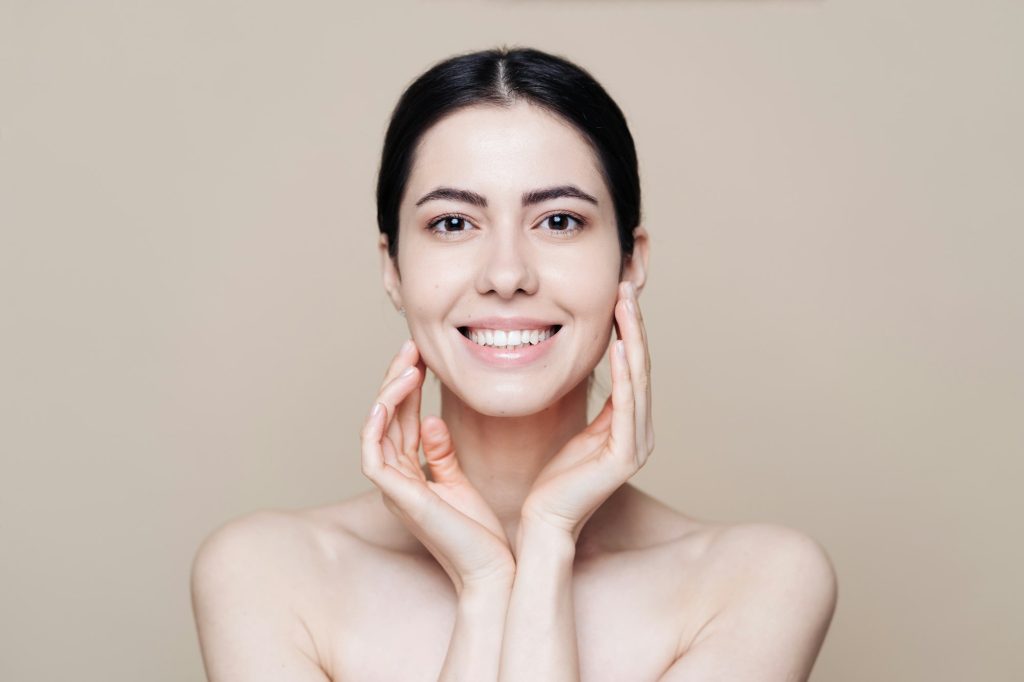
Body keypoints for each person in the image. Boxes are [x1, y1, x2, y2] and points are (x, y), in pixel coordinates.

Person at [190, 46, 838, 681]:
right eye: (452, 223)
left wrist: (548, 539)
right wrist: (485, 584)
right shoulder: (268, 574)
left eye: (558, 220)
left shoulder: (756, 583)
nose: (506, 274)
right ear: (392, 268)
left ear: (630, 262)